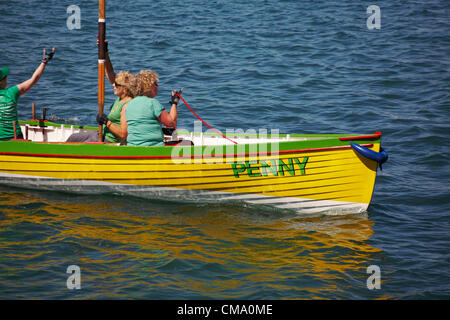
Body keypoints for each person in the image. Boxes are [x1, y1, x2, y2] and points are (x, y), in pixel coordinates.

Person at [66, 41, 135, 143]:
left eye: (116, 85)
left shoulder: (127, 105)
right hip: (102, 134)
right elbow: (110, 73)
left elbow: (123, 134)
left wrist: (106, 122)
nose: (113, 85)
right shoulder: (121, 96)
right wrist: (104, 51)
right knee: (73, 137)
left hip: (110, 141)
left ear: (125, 88)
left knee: (80, 145)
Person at [0, 48, 55, 140]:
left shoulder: (12, 92)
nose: (7, 79)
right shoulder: (12, 92)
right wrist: (44, 61)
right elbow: (33, 79)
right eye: (5, 78)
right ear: (2, 81)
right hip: (15, 137)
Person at [118, 70, 182, 146]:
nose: (157, 86)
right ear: (148, 86)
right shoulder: (152, 103)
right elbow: (171, 124)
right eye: (155, 83)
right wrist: (174, 103)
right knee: (189, 143)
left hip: (133, 147)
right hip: (153, 147)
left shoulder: (128, 105)